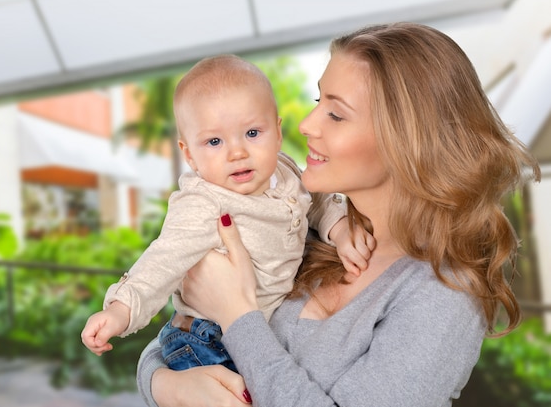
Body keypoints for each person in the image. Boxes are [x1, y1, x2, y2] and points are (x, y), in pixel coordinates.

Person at [136, 22, 541, 407]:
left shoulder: (443, 296)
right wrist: (164, 385)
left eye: (336, 113)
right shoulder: (307, 226)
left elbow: (229, 322)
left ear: (405, 141)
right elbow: (177, 339)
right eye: (318, 101)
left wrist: (237, 315)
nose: (307, 124)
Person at [81, 55, 374, 373]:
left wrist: (341, 230)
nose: (237, 153)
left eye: (251, 133)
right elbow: (162, 261)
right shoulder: (202, 203)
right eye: (215, 141)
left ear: (277, 132)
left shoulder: (284, 170)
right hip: (205, 339)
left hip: (253, 330)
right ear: (189, 155)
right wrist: (120, 311)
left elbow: (315, 201)